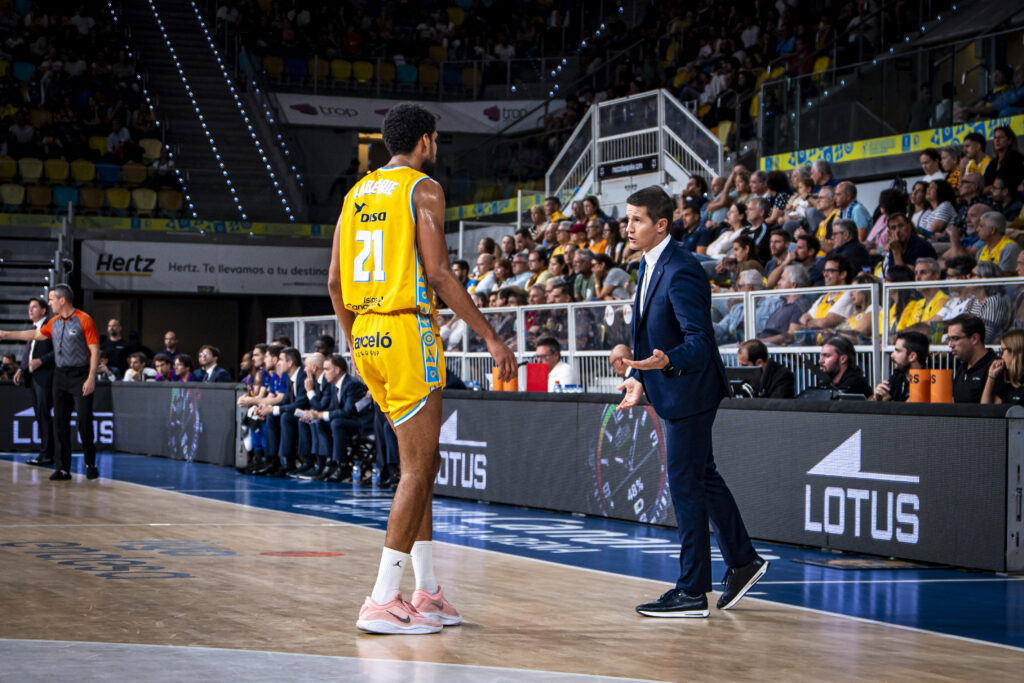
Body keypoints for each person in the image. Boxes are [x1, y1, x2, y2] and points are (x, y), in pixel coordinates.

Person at [328, 103, 516, 635]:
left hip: (366, 334)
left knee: (422, 464)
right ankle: (382, 599)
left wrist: (356, 341)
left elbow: (335, 285)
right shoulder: (422, 188)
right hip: (406, 330)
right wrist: (490, 336)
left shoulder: (355, 193)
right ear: (427, 142)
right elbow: (437, 273)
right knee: (416, 470)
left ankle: (428, 592)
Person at [617, 186, 767, 619]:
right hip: (671, 386)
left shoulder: (681, 268)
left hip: (690, 389)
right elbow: (648, 336)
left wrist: (666, 362)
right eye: (627, 219)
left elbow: (700, 341)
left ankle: (692, 591)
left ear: (661, 224)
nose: (628, 227)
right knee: (702, 477)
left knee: (685, 485)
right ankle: (743, 561)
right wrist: (638, 378)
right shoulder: (647, 265)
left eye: (637, 220)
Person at [0, 285, 99, 481]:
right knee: (60, 423)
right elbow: (36, 335)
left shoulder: (84, 319)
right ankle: (63, 468)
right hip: (60, 375)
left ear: (62, 300)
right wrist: (7, 334)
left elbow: (95, 351)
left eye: (52, 299)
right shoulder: (53, 322)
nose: (50, 302)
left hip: (80, 374)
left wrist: (91, 377)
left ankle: (90, 463)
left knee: (84, 421)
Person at [13, 297, 54, 467]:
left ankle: (47, 455)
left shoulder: (49, 327)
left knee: (44, 416)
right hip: (33, 378)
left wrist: (41, 361)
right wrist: (21, 369)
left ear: (44, 310)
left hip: (45, 378)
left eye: (34, 307)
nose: (30, 310)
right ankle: (45, 452)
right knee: (40, 416)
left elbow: (57, 352)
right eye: (29, 307)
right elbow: (28, 353)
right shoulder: (34, 329)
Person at [947, 314, 996, 403]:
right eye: (949, 339)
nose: (950, 345)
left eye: (955, 338)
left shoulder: (995, 367)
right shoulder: (962, 368)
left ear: (974, 338)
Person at [872, 331, 929, 401]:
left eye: (898, 351)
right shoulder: (897, 376)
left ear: (912, 356)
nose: (892, 355)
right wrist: (877, 398)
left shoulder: (928, 382)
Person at [982, 329, 1024, 404]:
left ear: (1014, 351)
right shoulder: (1008, 378)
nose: (1002, 356)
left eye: (1003, 350)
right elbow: (986, 409)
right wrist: (991, 377)